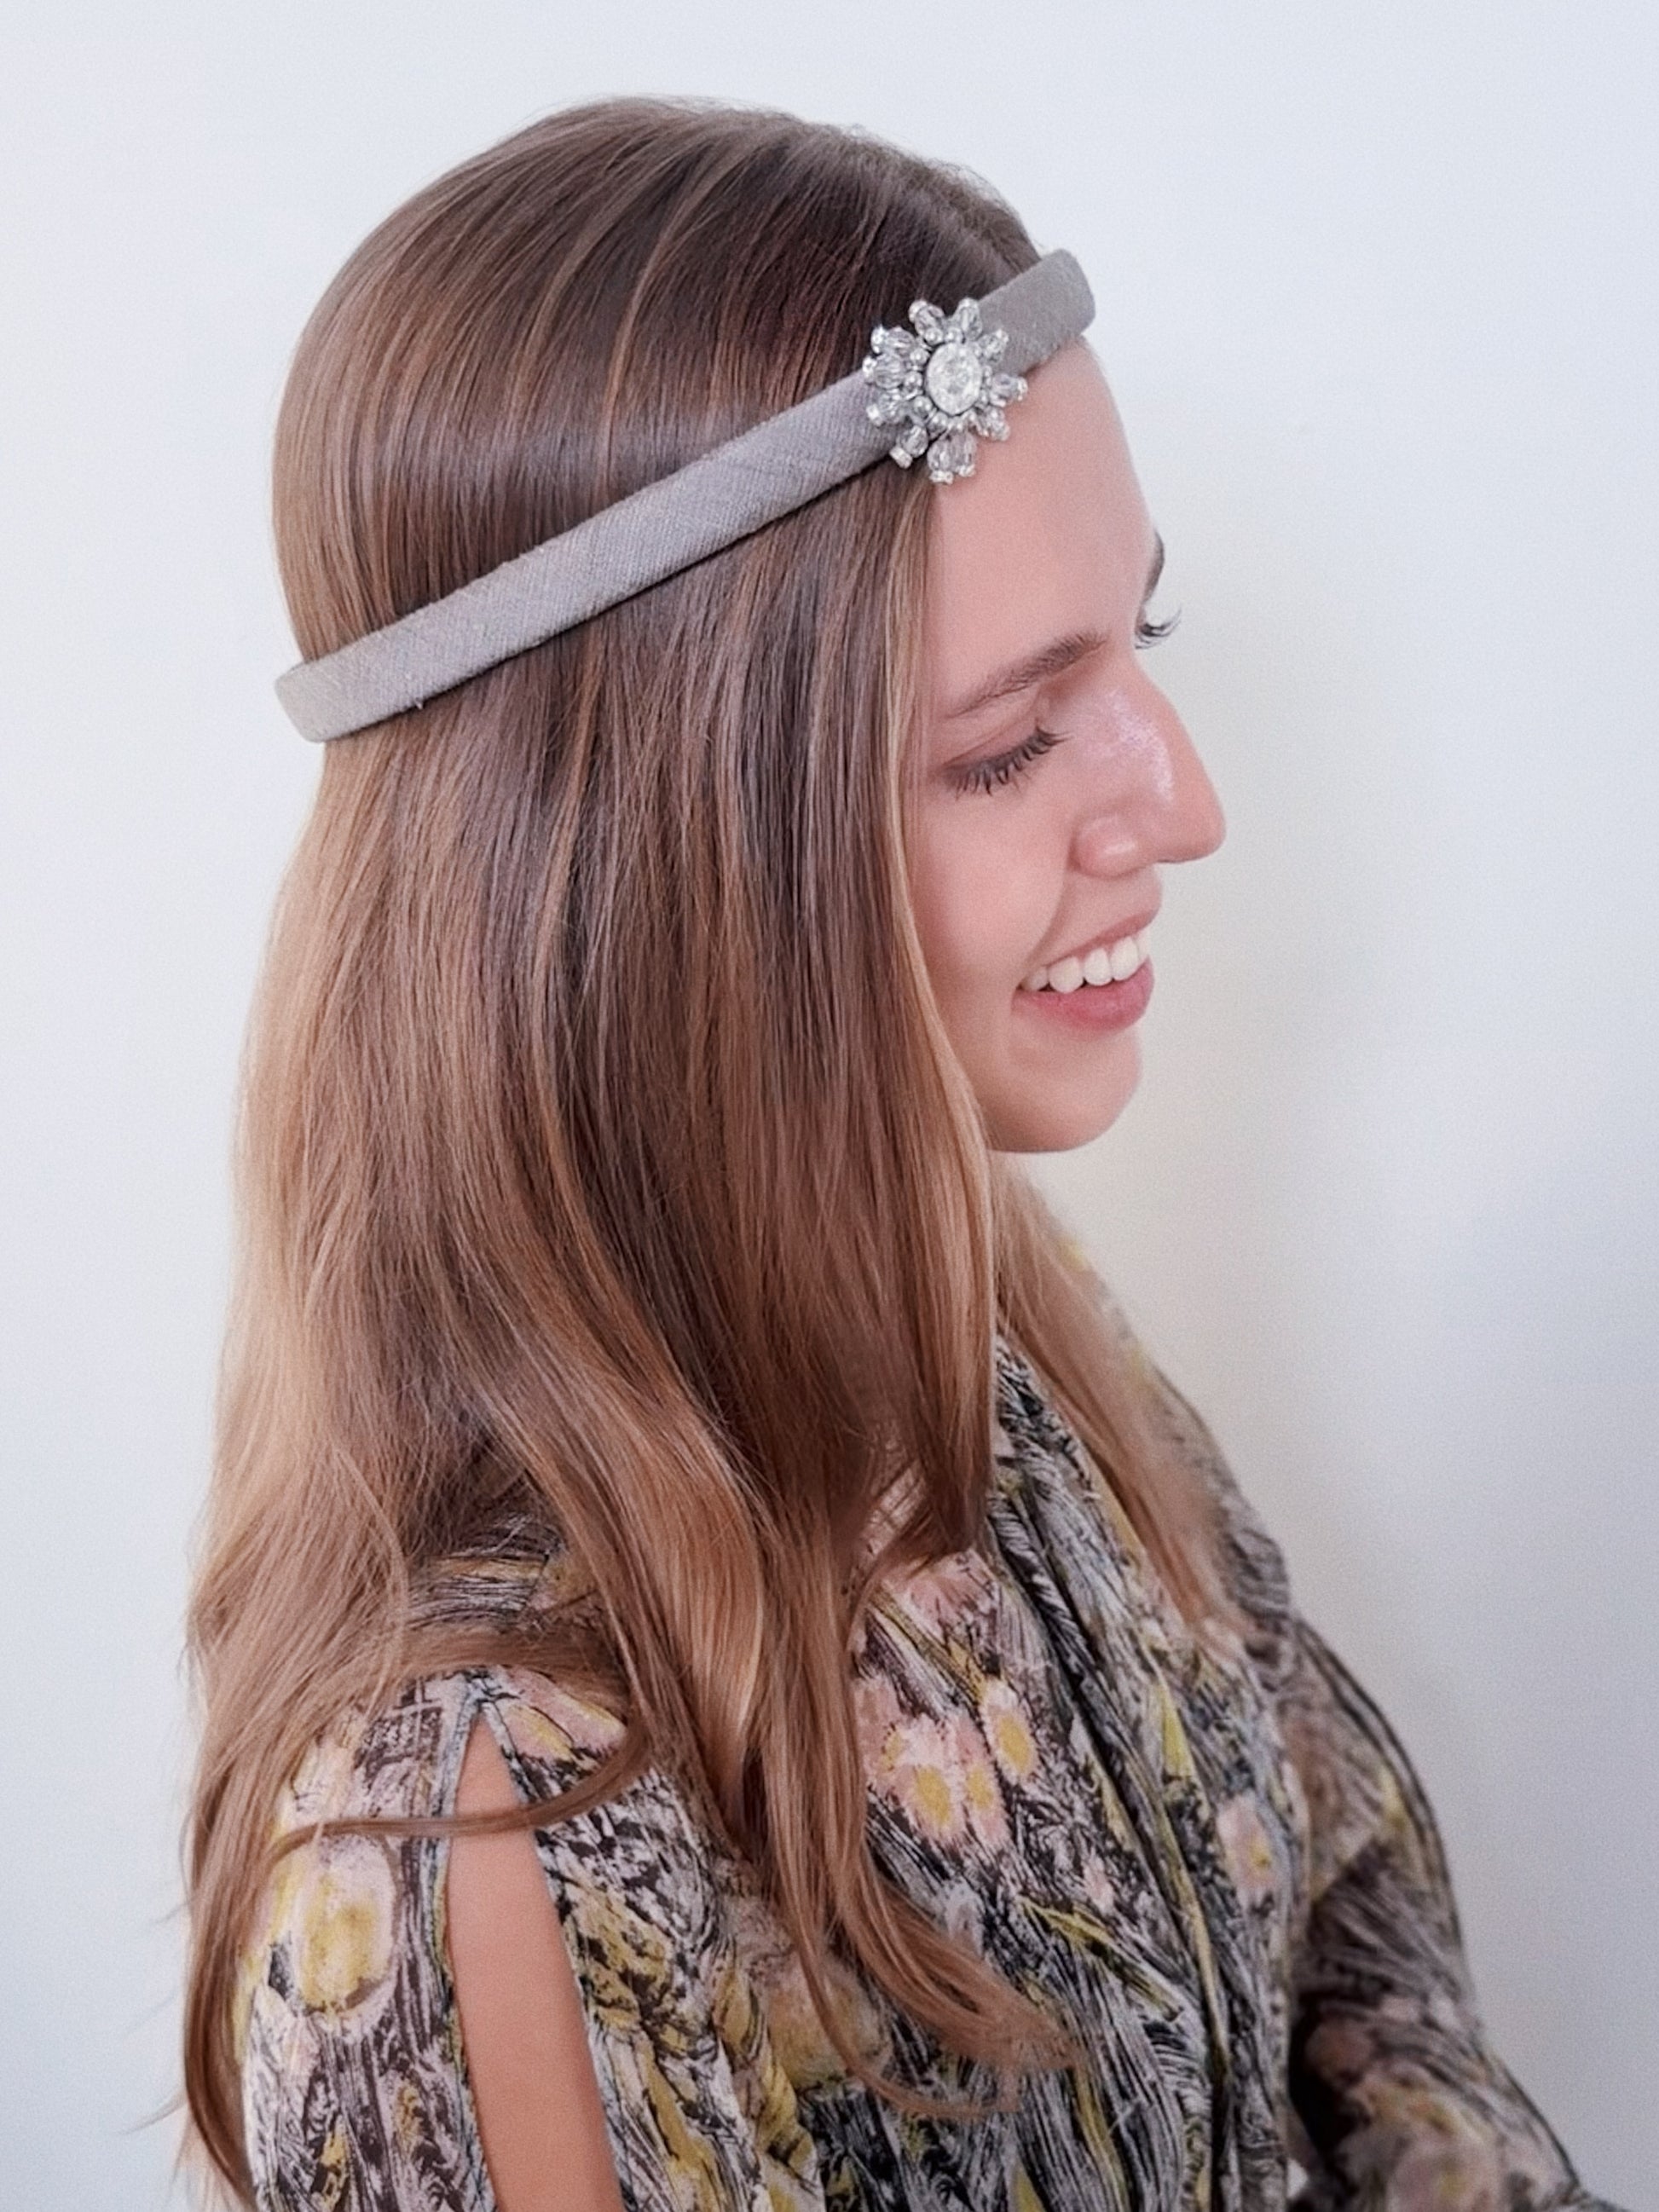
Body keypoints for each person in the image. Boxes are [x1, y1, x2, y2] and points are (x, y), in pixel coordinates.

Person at [182, 96, 1621, 2212]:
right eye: (1008, 741)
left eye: (1141, 642)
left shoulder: (1010, 1330)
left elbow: (1351, 1956)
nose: (1184, 801)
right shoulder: (476, 1851)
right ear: (661, 874)